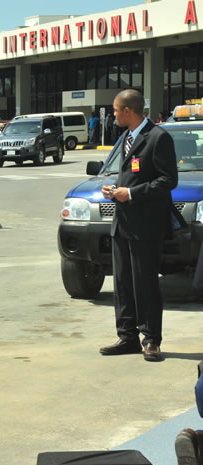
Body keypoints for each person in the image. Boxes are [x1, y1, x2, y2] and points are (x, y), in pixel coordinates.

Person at [99, 89, 178, 362]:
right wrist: (116, 189)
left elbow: (168, 181)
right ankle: (127, 336)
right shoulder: (126, 137)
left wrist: (131, 193)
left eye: (115, 110)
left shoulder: (158, 138)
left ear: (128, 111)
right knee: (122, 283)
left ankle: (151, 340)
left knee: (145, 283)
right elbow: (131, 173)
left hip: (145, 225)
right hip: (122, 223)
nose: (113, 115)